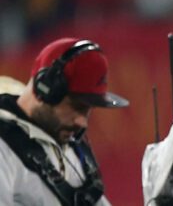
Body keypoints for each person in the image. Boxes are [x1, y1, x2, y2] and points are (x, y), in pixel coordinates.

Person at [0, 38, 130, 205]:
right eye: (77, 107)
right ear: (45, 89)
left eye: (88, 110)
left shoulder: (72, 147)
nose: (82, 122)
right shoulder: (4, 148)